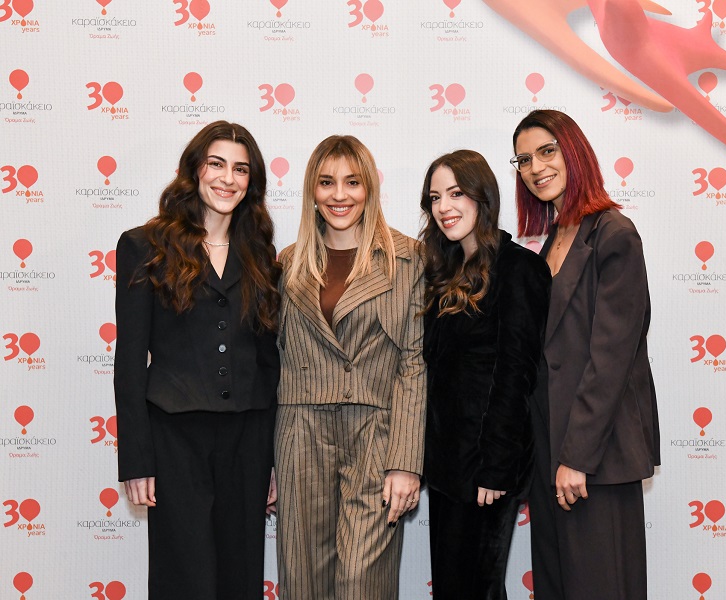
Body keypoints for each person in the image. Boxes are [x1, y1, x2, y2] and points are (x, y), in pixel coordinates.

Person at [114, 121, 281, 599]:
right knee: (183, 577)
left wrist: (272, 459)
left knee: (240, 574)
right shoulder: (144, 246)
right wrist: (136, 459)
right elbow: (130, 359)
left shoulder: (261, 255)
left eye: (241, 169)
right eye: (216, 164)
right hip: (174, 438)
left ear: (252, 182)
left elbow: (269, 363)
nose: (228, 178)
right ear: (194, 170)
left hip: (247, 438)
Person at [511, 110, 660, 600]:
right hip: (548, 454)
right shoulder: (552, 240)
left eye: (546, 152)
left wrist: (576, 457)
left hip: (596, 460)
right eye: (524, 160)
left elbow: (609, 362)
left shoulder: (614, 234)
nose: (536, 167)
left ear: (574, 152)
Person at [275, 135, 426, 600]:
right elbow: (273, 360)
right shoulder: (287, 264)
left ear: (369, 188)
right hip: (300, 433)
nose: (339, 195)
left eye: (352, 182)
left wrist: (406, 462)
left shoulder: (407, 259)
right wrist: (267, 463)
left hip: (375, 436)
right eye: (326, 182)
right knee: (303, 580)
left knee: (364, 582)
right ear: (311, 191)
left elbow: (414, 363)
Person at [420, 150, 551, 600]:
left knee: (478, 589)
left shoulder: (519, 268)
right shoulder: (443, 271)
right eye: (435, 197)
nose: (444, 207)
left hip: (486, 468)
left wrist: (495, 467)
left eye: (456, 193)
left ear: (483, 198)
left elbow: (517, 372)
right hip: (446, 464)